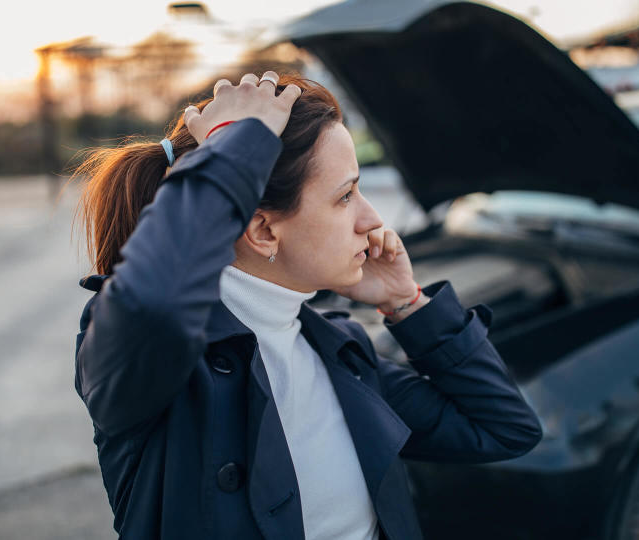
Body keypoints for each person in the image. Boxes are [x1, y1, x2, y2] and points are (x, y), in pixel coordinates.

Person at [72, 71, 543, 540]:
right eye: (345, 196)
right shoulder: (152, 362)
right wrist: (230, 150)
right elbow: (153, 295)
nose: (372, 219)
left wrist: (407, 301)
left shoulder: (339, 352)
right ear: (262, 231)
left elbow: (503, 429)